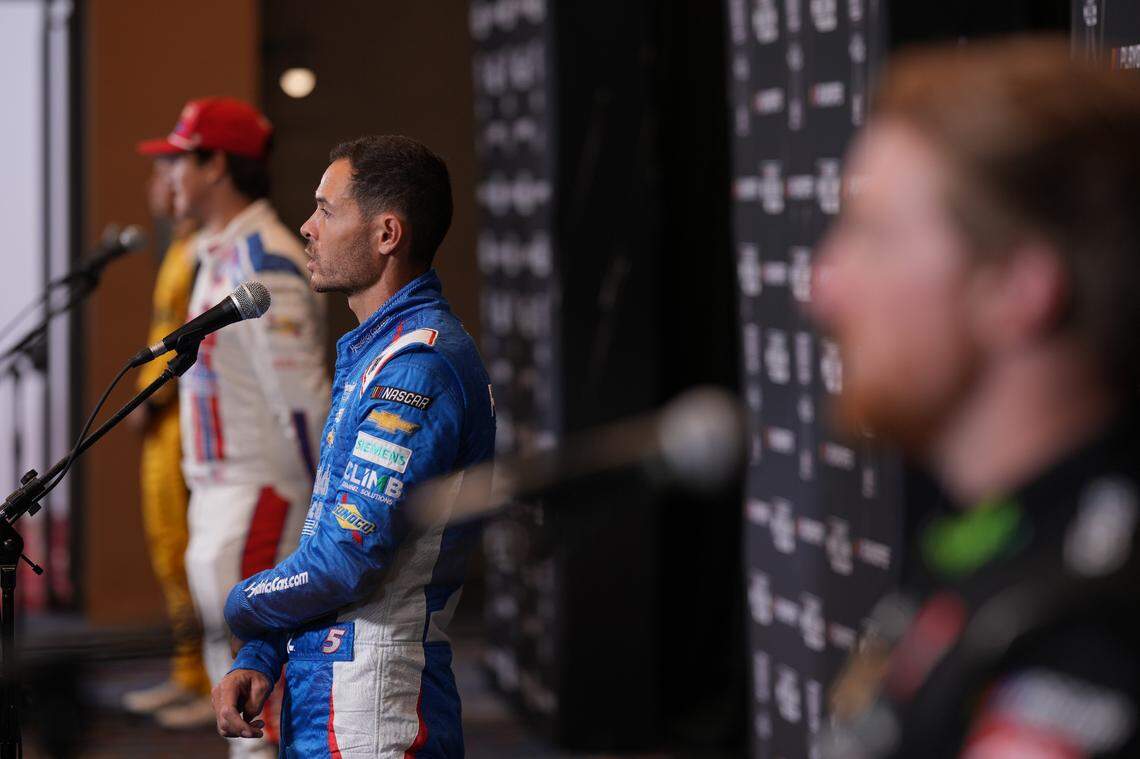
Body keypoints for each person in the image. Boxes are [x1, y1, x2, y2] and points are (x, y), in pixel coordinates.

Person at [810, 38, 1140, 758]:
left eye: (875, 236)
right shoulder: (984, 538)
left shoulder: (1087, 631)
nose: (825, 286)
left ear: (1018, 287)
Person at [211, 135, 495, 757]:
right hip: (334, 688)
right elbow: (326, 539)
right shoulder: (376, 351)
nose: (308, 227)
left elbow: (347, 557)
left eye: (326, 210)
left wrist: (241, 605)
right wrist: (261, 649)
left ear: (387, 233)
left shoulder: (416, 365)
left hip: (375, 709)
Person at [137, 97, 331, 757]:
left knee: (259, 706)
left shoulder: (260, 257)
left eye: (181, 160)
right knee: (241, 703)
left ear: (216, 165)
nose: (170, 179)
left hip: (260, 493)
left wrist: (322, 516)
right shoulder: (219, 251)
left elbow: (303, 401)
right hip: (224, 495)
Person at [120, 155, 212, 723]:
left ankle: (208, 681)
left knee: (189, 551)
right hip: (161, 422)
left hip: (178, 419)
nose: (158, 184)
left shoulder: (203, 252)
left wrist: (150, 397)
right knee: (168, 551)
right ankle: (187, 671)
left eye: (168, 171)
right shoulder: (178, 247)